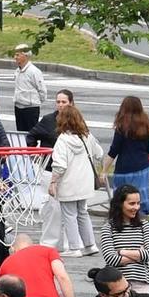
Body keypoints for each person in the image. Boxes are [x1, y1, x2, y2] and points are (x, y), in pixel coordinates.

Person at [42, 104, 101, 255]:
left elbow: (60, 165)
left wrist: (53, 181)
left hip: (69, 182)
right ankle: (90, 244)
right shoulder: (87, 136)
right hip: (85, 182)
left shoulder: (63, 140)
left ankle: (74, 247)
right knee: (82, 212)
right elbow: (99, 154)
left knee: (69, 215)